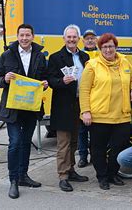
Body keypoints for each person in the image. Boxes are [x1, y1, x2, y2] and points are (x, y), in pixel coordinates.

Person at [0, 24, 49, 199]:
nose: (24, 38)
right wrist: (4, 79)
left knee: (26, 143)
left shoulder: (40, 56)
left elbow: (44, 79)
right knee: (15, 142)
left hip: (31, 108)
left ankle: (23, 176)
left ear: (33, 36)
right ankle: (13, 180)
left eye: (28, 35)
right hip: (12, 109)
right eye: (21, 35)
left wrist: (45, 85)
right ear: (17, 37)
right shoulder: (7, 55)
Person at [80, 33, 132, 190]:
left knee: (119, 146)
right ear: (100, 49)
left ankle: (113, 173)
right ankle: (102, 176)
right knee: (98, 148)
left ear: (116, 47)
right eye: (105, 47)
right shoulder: (92, 65)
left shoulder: (124, 62)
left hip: (122, 114)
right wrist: (85, 111)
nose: (108, 49)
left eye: (111, 46)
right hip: (100, 115)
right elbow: (84, 90)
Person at [47, 24, 89, 192]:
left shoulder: (85, 56)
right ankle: (63, 176)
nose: (72, 39)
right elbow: (50, 80)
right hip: (63, 105)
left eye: (74, 37)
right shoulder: (56, 57)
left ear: (79, 39)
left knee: (74, 141)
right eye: (69, 37)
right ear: (64, 38)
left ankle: (71, 170)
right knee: (63, 143)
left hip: (80, 103)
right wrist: (61, 82)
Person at [77, 28, 98, 167]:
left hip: (98, 97)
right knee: (82, 130)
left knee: (96, 131)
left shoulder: (102, 54)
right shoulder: (79, 55)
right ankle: (83, 156)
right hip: (82, 96)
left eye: (92, 38)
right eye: (87, 38)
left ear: (96, 40)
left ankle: (95, 156)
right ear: (83, 40)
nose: (90, 40)